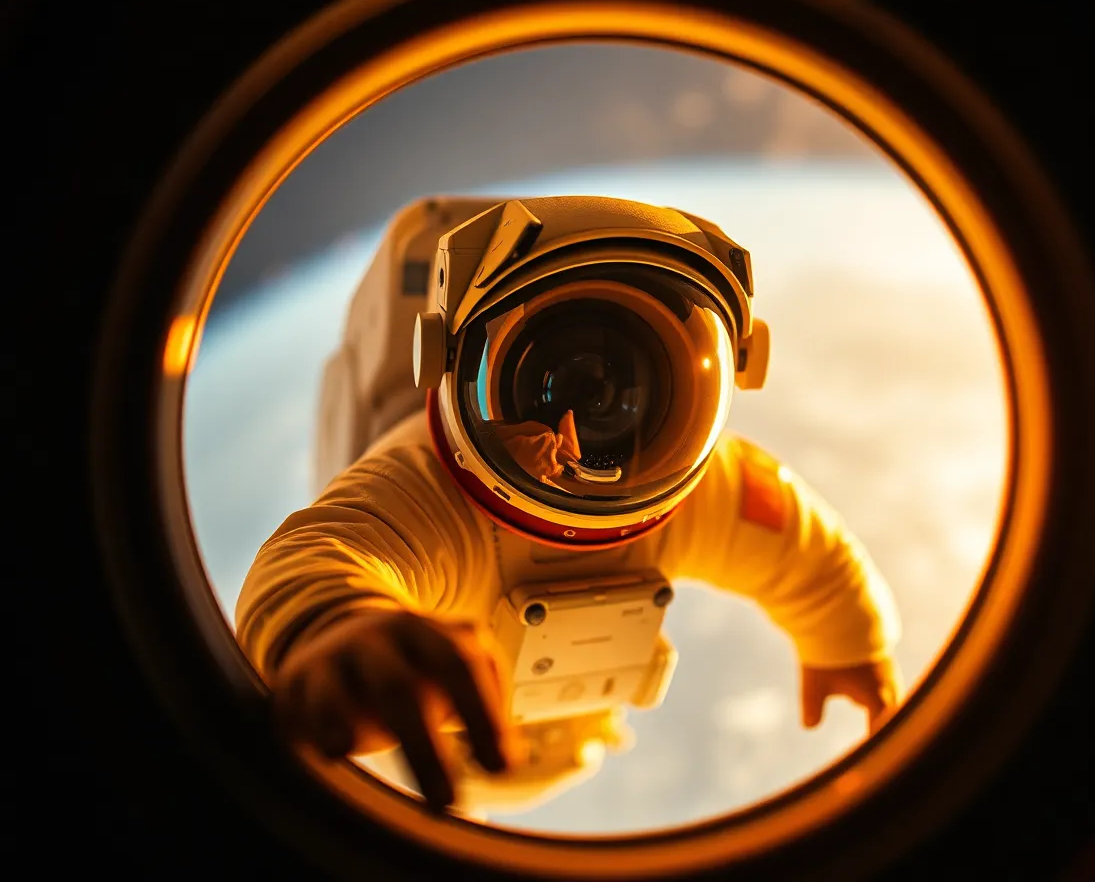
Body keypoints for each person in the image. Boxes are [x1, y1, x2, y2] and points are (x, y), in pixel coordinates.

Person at [236, 195, 903, 815]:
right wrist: (332, 631)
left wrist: (846, 641)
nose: (574, 438)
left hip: (554, 754)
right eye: (544, 392)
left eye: (617, 386)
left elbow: (805, 550)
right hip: (420, 769)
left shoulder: (704, 489)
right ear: (453, 362)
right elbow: (315, 558)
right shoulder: (429, 492)